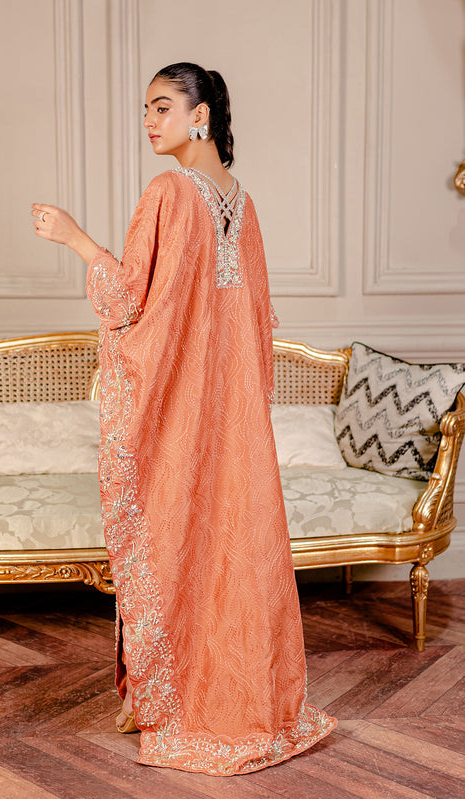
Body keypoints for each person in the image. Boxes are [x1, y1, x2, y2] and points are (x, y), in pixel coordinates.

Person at [31, 62, 336, 776]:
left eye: (162, 107)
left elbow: (127, 301)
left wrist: (75, 238)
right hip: (237, 419)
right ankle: (250, 705)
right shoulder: (242, 203)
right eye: (146, 109)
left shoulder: (168, 192)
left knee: (180, 543)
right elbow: (252, 327)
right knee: (235, 551)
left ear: (200, 115)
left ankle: (189, 709)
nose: (149, 121)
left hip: (186, 421)